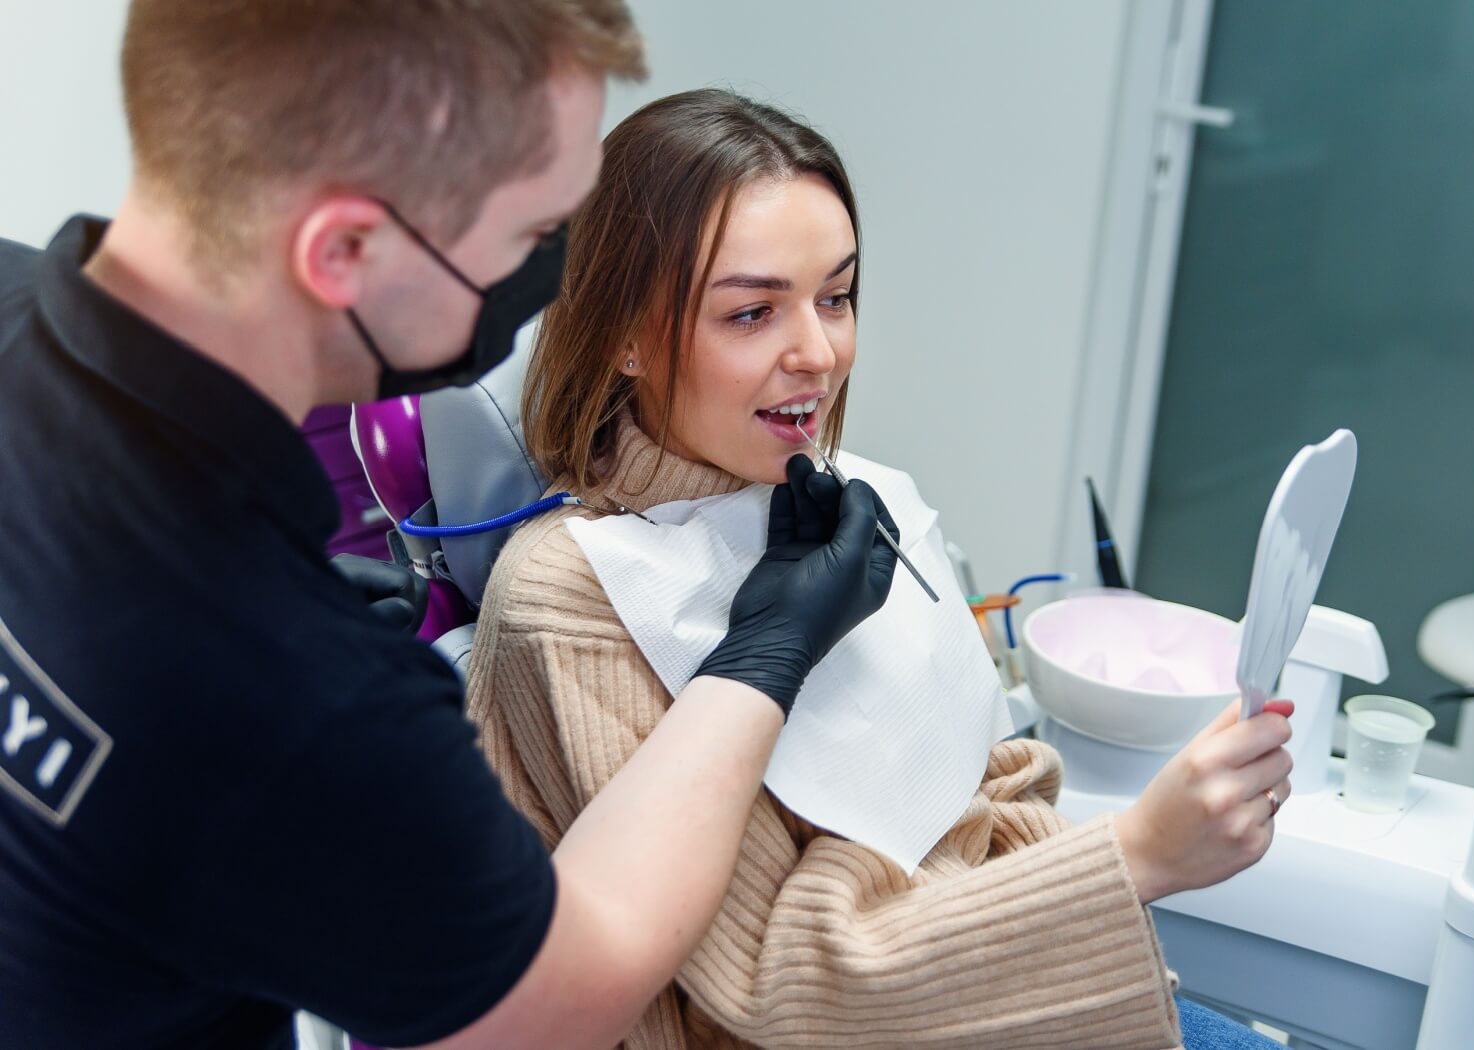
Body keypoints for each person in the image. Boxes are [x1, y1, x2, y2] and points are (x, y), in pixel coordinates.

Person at [0, 7, 900, 1050]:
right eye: (529, 238)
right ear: (344, 249)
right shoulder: (303, 703)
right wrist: (763, 656)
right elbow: (568, 992)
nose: (554, 282)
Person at [468, 87, 1297, 1049]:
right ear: (624, 336)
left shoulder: (858, 502)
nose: (819, 353)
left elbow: (989, 792)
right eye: (751, 314)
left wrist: (1076, 925)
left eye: (837, 296)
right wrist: (1138, 855)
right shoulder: (572, 599)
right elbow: (768, 995)